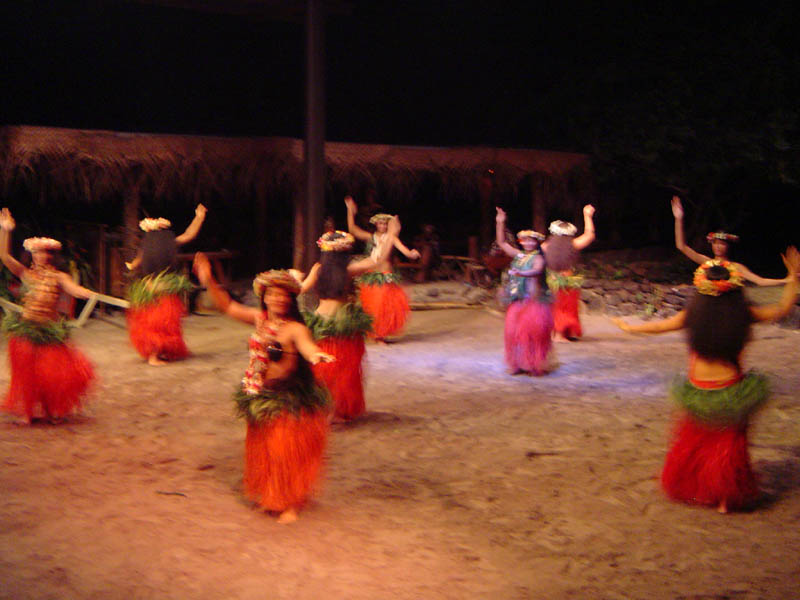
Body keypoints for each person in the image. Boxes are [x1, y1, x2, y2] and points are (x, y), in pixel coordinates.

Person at [612, 247, 799, 512]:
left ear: (701, 289)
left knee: (699, 442)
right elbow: (781, 309)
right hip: (731, 389)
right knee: (730, 445)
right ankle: (725, 498)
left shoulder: (693, 316)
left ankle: (702, 488)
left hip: (699, 388)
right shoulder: (743, 315)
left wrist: (629, 327)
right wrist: (793, 278)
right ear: (734, 290)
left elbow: (656, 327)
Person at [193, 253, 334, 523]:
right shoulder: (260, 319)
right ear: (264, 297)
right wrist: (208, 279)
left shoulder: (293, 328)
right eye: (273, 294)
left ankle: (291, 503)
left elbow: (306, 345)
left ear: (290, 299)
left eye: (283, 295)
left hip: (287, 397)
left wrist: (316, 354)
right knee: (266, 451)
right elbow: (228, 307)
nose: (278, 299)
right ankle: (272, 496)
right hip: (261, 393)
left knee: (285, 453)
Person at [0, 208, 97, 423]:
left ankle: (52, 410)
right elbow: (4, 256)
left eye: (46, 252)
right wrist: (5, 231)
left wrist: (87, 293)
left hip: (49, 330)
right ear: (32, 254)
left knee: (51, 374)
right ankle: (27, 413)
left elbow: (73, 289)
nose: (42, 256)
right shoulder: (25, 274)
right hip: (28, 329)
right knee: (27, 374)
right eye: (38, 252)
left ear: (51, 255)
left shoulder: (59, 276)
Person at [299, 218, 400, 420]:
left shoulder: (318, 269)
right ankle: (338, 409)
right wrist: (392, 235)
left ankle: (322, 409)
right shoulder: (348, 271)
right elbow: (377, 260)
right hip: (344, 326)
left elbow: (300, 289)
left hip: (320, 324)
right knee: (344, 371)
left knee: (321, 371)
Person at [126, 204, 207, 365]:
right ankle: (154, 356)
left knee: (155, 323)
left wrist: (131, 265)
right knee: (161, 323)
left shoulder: (146, 249)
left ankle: (158, 353)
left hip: (149, 289)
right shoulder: (171, 244)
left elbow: (136, 262)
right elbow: (189, 234)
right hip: (163, 291)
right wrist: (199, 216)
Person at [344, 195, 420, 342]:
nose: (383, 226)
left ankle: (381, 335)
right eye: (380, 223)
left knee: (383, 306)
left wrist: (412, 254)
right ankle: (374, 333)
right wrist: (350, 211)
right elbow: (352, 230)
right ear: (376, 225)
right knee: (372, 304)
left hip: (384, 273)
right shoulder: (372, 237)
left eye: (385, 224)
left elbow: (405, 251)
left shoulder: (392, 238)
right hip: (372, 270)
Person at [671, 196, 788, 285]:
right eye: (715, 243)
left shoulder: (736, 267)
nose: (717, 246)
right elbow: (681, 246)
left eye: (722, 244)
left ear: (728, 247)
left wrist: (786, 280)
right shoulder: (706, 262)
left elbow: (760, 281)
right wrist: (678, 219)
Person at [494, 207, 554, 375]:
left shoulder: (539, 257)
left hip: (533, 303)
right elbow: (502, 243)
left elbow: (536, 270)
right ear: (521, 242)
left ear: (536, 243)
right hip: (518, 301)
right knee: (514, 334)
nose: (528, 243)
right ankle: (518, 363)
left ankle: (534, 364)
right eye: (525, 240)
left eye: (531, 241)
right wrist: (500, 222)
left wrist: (522, 273)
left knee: (533, 335)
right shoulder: (519, 255)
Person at [542, 205, 596, 341]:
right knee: (564, 308)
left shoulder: (545, 246)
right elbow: (589, 235)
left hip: (552, 282)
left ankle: (560, 333)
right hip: (565, 283)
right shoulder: (572, 244)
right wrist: (587, 215)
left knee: (557, 308)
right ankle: (560, 335)